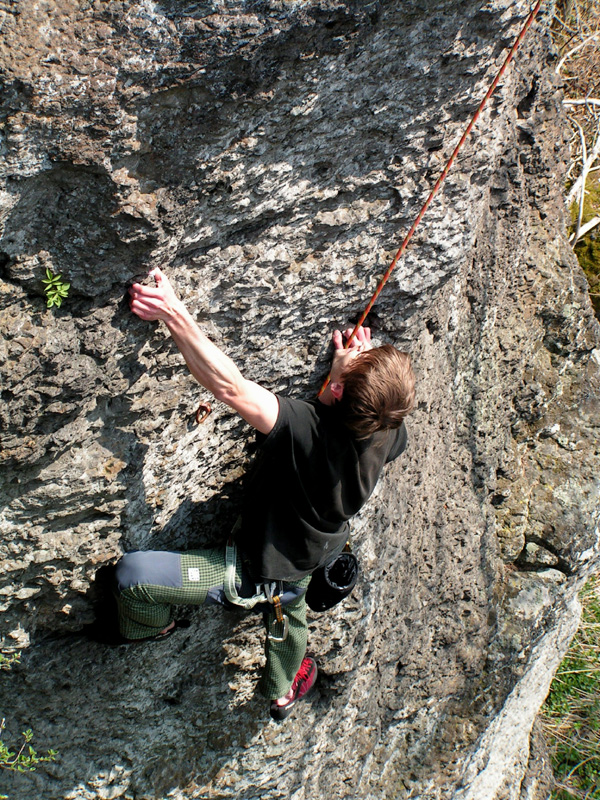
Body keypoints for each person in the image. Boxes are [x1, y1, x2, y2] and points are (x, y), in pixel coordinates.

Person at [115, 267, 415, 721]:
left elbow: (228, 386)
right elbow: (350, 418)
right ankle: (282, 690)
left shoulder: (305, 431)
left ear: (336, 390)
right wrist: (353, 374)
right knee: (288, 610)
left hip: (253, 568)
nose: (361, 346)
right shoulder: (388, 426)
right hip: (315, 552)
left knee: (132, 578)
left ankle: (154, 628)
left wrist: (174, 313)